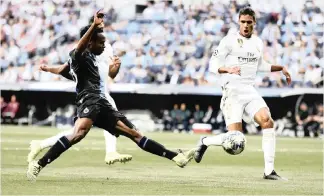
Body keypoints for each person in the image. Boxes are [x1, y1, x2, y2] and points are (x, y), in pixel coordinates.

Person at [27, 10, 195, 181]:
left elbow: (66, 71)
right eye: (101, 43)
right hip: (89, 100)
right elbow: (77, 50)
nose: (103, 46)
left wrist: (49, 69)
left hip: (103, 102)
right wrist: (93, 25)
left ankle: (176, 157)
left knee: (135, 134)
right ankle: (39, 164)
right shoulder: (79, 56)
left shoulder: (94, 60)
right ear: (90, 42)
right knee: (78, 133)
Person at [193, 7, 291, 180]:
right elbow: (212, 64)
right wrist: (227, 69)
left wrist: (281, 68)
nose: (245, 25)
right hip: (232, 92)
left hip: (249, 90)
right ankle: (204, 141)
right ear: (239, 22)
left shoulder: (258, 43)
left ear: (254, 23)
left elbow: (260, 66)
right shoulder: (228, 41)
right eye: (243, 22)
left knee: (268, 122)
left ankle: (269, 171)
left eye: (249, 22)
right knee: (236, 140)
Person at [27, 22, 131, 166]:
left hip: (101, 92)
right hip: (91, 95)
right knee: (105, 121)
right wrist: (48, 69)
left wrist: (116, 67)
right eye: (97, 30)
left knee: (78, 131)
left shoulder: (106, 47)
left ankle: (41, 144)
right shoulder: (80, 52)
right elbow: (64, 68)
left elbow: (111, 73)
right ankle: (111, 151)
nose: (102, 34)